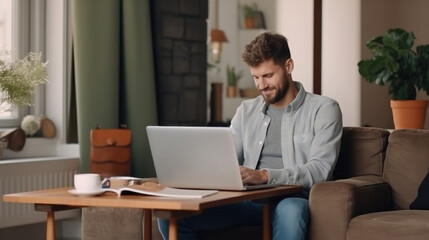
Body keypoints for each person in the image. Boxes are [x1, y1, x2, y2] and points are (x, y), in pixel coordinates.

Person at [157, 32, 343, 240]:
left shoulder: (324, 109)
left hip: (292, 198)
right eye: (256, 77)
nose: (261, 85)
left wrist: (264, 176)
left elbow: (320, 170)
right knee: (170, 215)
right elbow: (224, 160)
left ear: (288, 66)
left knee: (291, 212)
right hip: (250, 201)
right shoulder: (246, 110)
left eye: (268, 76)